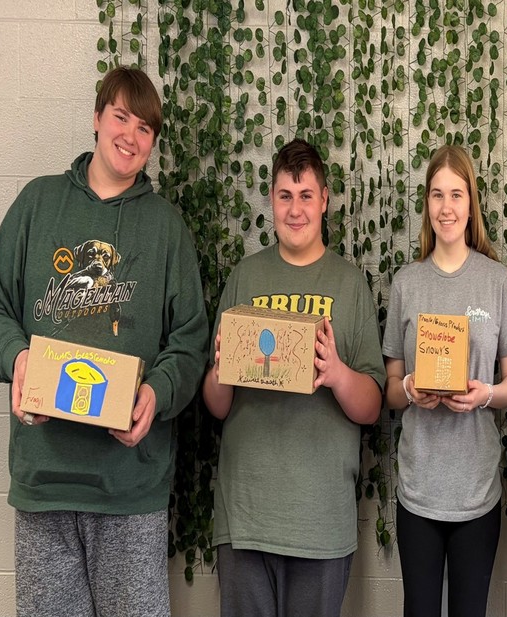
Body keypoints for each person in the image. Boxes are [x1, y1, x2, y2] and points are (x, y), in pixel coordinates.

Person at [0, 66, 208, 617]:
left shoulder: (166, 228)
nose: (130, 135)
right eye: (121, 117)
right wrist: (17, 356)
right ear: (97, 118)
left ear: (153, 143)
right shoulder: (37, 204)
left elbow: (191, 341)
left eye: (145, 127)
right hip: (45, 483)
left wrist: (158, 392)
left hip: (131, 487)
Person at [201, 138, 385, 617]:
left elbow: (371, 407)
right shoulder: (244, 278)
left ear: (325, 200)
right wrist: (221, 369)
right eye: (285, 196)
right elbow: (216, 405)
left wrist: (338, 374)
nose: (296, 209)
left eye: (306, 196)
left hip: (321, 524)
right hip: (245, 518)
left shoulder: (349, 284)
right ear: (271, 201)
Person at [381, 144, 507, 617]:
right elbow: (391, 387)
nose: (446, 207)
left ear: (471, 204)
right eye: (437, 195)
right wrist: (408, 390)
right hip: (419, 491)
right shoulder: (406, 284)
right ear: (427, 203)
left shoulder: (495, 280)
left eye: (457, 195)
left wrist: (485, 395)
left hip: (477, 493)